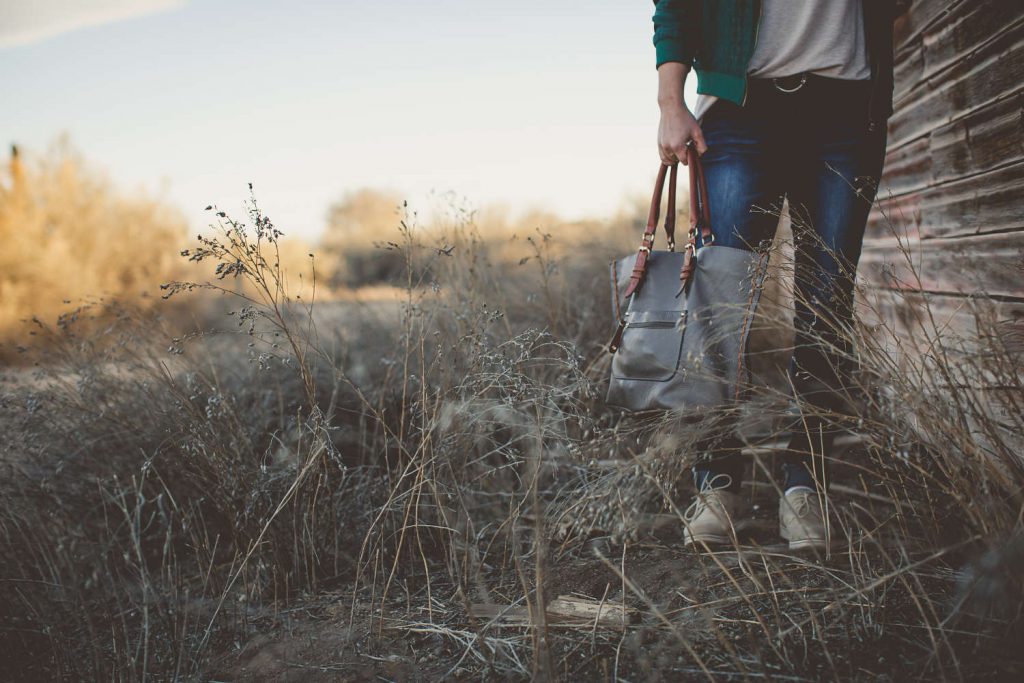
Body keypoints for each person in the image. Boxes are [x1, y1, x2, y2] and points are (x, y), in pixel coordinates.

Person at [652, 0, 896, 550]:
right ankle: (717, 484)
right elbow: (675, 7)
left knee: (826, 302)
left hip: (847, 105)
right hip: (740, 106)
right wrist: (671, 101)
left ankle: (804, 485)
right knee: (718, 300)